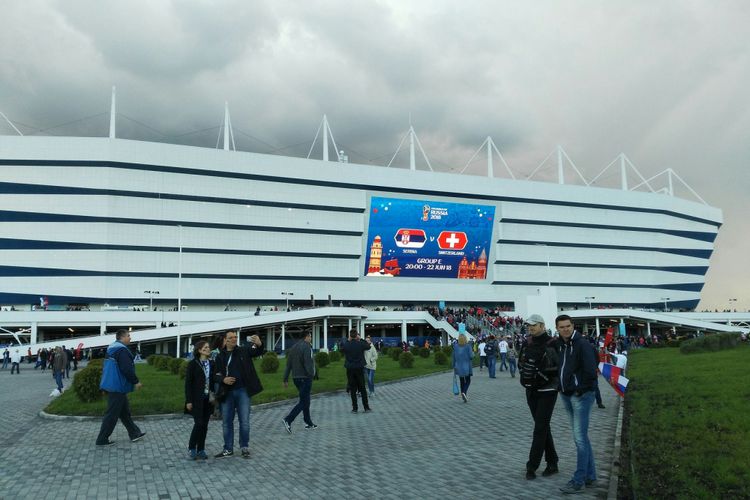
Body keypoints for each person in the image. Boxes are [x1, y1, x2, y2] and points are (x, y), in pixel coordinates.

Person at [556, 314, 598, 494]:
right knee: (582, 437)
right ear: (557, 328)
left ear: (573, 326)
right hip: (566, 394)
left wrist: (580, 389)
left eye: (568, 326)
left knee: (579, 438)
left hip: (580, 395)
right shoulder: (560, 344)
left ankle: (578, 480)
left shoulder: (582, 344)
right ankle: (590, 476)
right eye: (561, 327)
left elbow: (591, 370)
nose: (565, 329)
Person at [518, 314, 560, 480]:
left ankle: (532, 466)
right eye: (529, 325)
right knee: (543, 426)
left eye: (534, 325)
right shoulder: (527, 342)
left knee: (540, 427)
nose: (530, 328)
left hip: (548, 390)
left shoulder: (553, 343)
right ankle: (552, 462)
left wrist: (542, 374)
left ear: (542, 326)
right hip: (530, 389)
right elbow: (520, 362)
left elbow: (559, 365)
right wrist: (527, 373)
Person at [214, 330, 264, 459]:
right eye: (231, 337)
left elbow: (258, 352)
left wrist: (259, 344)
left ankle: (244, 447)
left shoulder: (243, 350)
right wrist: (223, 379)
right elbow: (214, 374)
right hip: (227, 393)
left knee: (244, 421)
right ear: (226, 340)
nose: (235, 339)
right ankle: (228, 448)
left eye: (236, 337)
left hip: (243, 391)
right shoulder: (220, 356)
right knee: (226, 422)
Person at [95, 329, 145, 446]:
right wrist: (136, 381)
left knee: (124, 412)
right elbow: (126, 369)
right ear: (122, 337)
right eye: (128, 336)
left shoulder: (112, 348)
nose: (130, 338)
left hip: (113, 384)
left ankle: (134, 433)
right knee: (112, 414)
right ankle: (102, 439)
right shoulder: (121, 350)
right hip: (117, 386)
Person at [184, 341, 215, 460]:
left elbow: (215, 378)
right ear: (200, 350)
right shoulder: (193, 364)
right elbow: (188, 384)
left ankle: (201, 449)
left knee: (205, 425)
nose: (208, 349)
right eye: (205, 347)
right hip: (196, 400)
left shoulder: (212, 363)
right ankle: (192, 448)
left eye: (208, 347)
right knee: (199, 424)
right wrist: (189, 400)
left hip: (208, 399)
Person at [281, 331, 317, 433]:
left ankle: (308, 422)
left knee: (306, 399)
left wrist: (285, 379)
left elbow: (288, 365)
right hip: (305, 377)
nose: (311, 338)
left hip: (296, 378)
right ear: (306, 337)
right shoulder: (307, 347)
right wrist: (312, 374)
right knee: (304, 401)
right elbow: (308, 363)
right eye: (310, 336)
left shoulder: (293, 348)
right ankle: (288, 420)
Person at [340, 328, 371, 413]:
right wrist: (360, 339)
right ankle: (366, 407)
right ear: (357, 335)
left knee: (353, 388)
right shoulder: (360, 343)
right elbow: (368, 346)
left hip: (350, 369)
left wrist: (348, 340)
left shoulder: (347, 344)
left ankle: (355, 408)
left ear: (350, 335)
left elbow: (341, 348)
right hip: (359, 368)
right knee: (362, 388)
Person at [452, 333, 474, 402]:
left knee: (461, 380)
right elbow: (471, 356)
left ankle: (463, 395)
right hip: (467, 366)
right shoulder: (468, 346)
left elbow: (453, 357)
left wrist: (453, 365)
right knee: (468, 380)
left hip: (458, 366)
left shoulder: (455, 346)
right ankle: (464, 392)